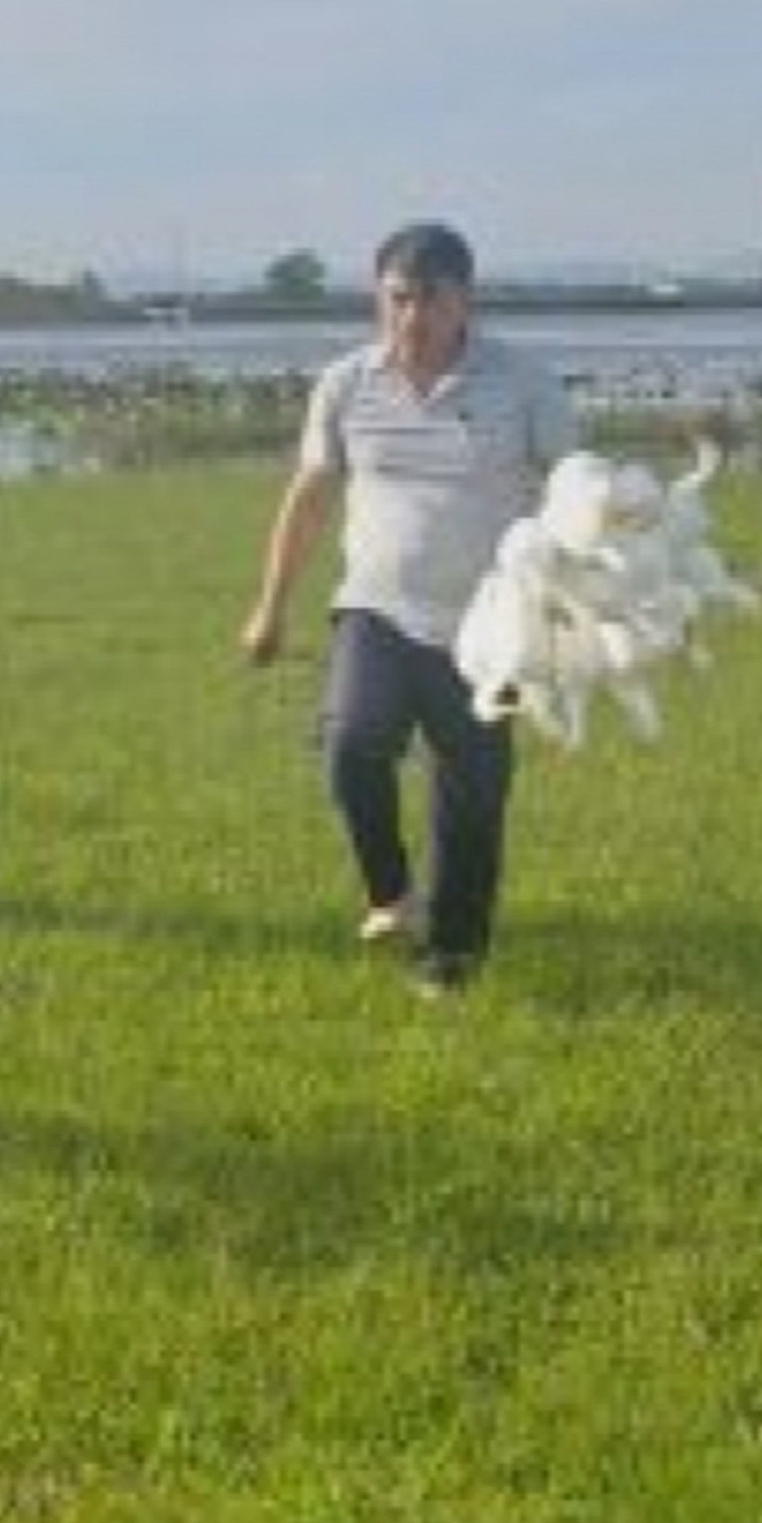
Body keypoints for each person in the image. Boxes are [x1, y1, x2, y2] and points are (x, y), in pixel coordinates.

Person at [239, 221, 575, 997]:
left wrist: (580, 598)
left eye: (430, 300)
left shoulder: (524, 382)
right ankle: (392, 893)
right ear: (377, 297)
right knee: (352, 743)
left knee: (472, 790)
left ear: (466, 301)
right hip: (376, 609)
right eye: (396, 300)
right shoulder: (347, 383)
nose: (412, 319)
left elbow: (571, 490)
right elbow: (312, 497)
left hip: (492, 622)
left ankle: (451, 957)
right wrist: (270, 608)